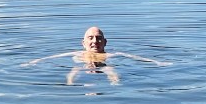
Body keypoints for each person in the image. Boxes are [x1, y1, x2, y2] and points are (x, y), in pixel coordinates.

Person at [23, 26, 169, 86]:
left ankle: (116, 86)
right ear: (83, 43)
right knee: (75, 70)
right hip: (83, 65)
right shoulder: (77, 53)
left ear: (105, 42)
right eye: (91, 38)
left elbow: (135, 57)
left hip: (103, 66)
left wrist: (157, 62)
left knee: (110, 70)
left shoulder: (111, 54)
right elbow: (53, 57)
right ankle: (70, 85)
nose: (95, 41)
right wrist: (34, 61)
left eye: (99, 38)